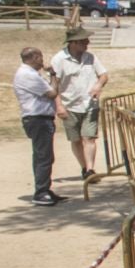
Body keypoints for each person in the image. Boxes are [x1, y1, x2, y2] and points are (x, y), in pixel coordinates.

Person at [51, 25, 109, 182]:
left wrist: (98, 85)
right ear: (73, 42)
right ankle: (84, 167)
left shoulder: (90, 57)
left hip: (90, 104)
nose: (87, 43)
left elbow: (103, 75)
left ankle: (90, 170)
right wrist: (59, 106)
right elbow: (53, 85)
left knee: (89, 138)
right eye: (84, 40)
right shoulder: (58, 60)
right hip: (69, 105)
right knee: (76, 139)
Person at [13, 46, 63, 206]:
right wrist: (53, 74)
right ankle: (40, 192)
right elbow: (52, 93)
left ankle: (45, 189)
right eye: (40, 57)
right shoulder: (27, 75)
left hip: (41, 118)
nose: (42, 60)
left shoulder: (32, 74)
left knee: (44, 155)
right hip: (37, 119)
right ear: (34, 57)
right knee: (43, 156)